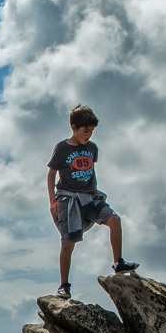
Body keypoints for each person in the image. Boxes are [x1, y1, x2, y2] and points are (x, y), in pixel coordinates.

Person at [46, 105, 138, 298]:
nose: (88, 134)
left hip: (89, 197)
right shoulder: (62, 148)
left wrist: (95, 194)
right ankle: (64, 285)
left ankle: (118, 263)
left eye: (92, 131)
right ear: (74, 127)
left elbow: (90, 173)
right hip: (68, 199)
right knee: (68, 242)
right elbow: (51, 174)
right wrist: (52, 201)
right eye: (85, 130)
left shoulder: (92, 148)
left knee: (114, 220)